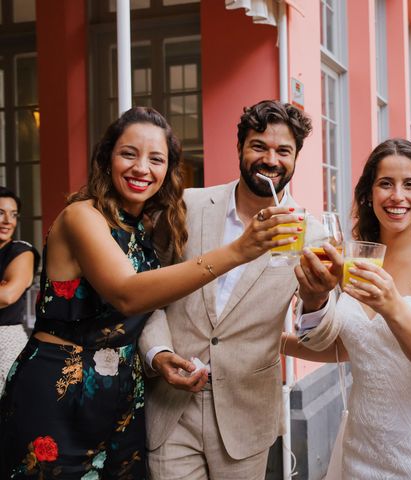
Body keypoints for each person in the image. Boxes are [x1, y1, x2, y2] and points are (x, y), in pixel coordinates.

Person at [0, 106, 299, 479]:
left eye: (156, 159)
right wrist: (238, 251)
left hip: (123, 396)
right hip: (59, 392)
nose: (142, 168)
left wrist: (158, 356)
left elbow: (165, 300)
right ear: (106, 157)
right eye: (129, 153)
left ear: (167, 170)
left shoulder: (145, 227)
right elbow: (128, 294)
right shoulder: (82, 216)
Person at [138, 100, 333, 480]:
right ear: (240, 148)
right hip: (171, 404)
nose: (270, 159)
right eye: (259, 146)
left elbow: (322, 336)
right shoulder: (188, 206)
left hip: (247, 412)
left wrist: (317, 300)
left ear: (296, 158)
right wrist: (157, 353)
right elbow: (148, 287)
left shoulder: (313, 235)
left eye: (283, 151)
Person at [284, 138, 411, 478]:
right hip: (364, 444)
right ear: (369, 193)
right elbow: (356, 346)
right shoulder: (354, 260)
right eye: (385, 184)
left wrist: (390, 305)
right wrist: (273, 341)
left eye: (409, 184)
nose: (397, 196)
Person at [0, 187, 39, 394]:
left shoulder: (21, 252)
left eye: (13, 214)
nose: (8, 220)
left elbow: (7, 296)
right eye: (0, 212)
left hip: (5, 343)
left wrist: (5, 287)